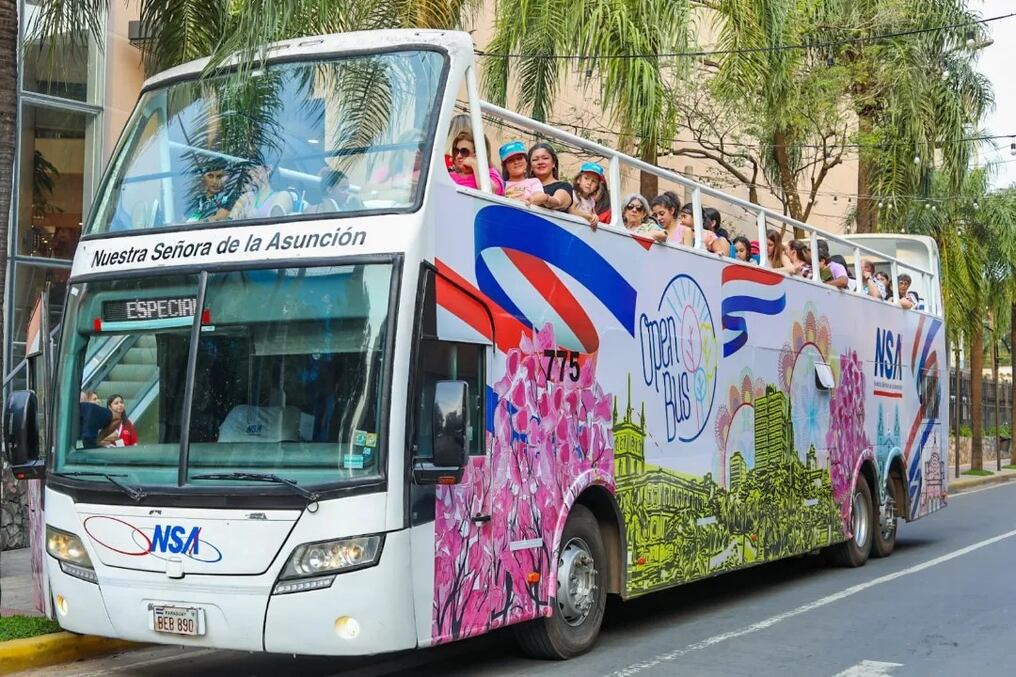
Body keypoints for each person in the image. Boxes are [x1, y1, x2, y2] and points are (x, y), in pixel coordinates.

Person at [447, 130, 504, 195]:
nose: (458, 156)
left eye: (464, 152)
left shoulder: (490, 173)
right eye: (456, 151)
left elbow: (490, 191)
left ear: (477, 154)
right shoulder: (450, 176)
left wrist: (475, 164)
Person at [230, 163, 294, 220]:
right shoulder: (246, 197)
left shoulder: (283, 196)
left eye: (255, 167)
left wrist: (256, 218)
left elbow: (275, 225)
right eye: (249, 168)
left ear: (268, 169)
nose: (250, 172)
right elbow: (230, 220)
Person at [526, 143, 572, 211]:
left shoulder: (564, 186)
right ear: (530, 166)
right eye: (535, 160)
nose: (540, 162)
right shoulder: (524, 184)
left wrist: (546, 199)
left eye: (545, 158)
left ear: (553, 163)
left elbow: (558, 202)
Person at [570, 162, 606, 228]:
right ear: (579, 179)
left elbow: (593, 214)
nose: (589, 183)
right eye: (586, 178)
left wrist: (595, 217)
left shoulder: (591, 201)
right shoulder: (574, 194)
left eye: (594, 181)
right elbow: (572, 210)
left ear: (596, 186)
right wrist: (589, 217)